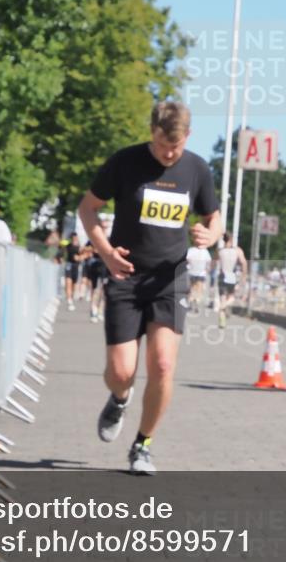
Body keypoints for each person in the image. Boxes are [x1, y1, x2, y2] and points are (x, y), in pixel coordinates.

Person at [77, 101, 221, 475]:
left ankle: (143, 445)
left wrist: (212, 233)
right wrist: (105, 253)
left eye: (174, 147)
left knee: (162, 364)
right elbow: (87, 209)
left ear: (187, 137)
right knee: (122, 371)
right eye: (160, 145)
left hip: (169, 281)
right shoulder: (124, 162)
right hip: (126, 277)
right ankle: (119, 397)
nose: (167, 153)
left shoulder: (196, 168)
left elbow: (213, 216)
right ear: (151, 133)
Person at [216, 233, 247, 329]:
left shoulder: (220, 251)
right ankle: (224, 307)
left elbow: (215, 263)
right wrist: (244, 276)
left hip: (222, 275)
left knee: (222, 298)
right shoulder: (237, 250)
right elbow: (244, 263)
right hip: (231, 276)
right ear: (231, 240)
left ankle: (222, 321)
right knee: (232, 297)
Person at [83, 242, 105, 322]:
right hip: (94, 266)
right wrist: (91, 250)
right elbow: (84, 249)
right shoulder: (93, 237)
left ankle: (100, 311)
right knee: (94, 289)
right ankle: (93, 310)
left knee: (103, 291)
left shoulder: (109, 238)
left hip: (104, 266)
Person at [186, 244, 211, 314]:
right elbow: (208, 261)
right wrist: (207, 269)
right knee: (199, 290)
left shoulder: (191, 250)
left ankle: (190, 302)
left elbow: (187, 259)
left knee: (192, 288)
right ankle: (196, 303)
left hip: (192, 272)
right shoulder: (205, 251)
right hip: (201, 273)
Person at [60, 232, 82, 311]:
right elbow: (61, 248)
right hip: (69, 265)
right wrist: (61, 257)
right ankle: (69, 300)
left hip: (76, 266)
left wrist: (79, 257)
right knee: (68, 282)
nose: (74, 239)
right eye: (73, 238)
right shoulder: (68, 245)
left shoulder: (80, 247)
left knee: (74, 284)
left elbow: (84, 255)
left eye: (75, 238)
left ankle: (71, 298)